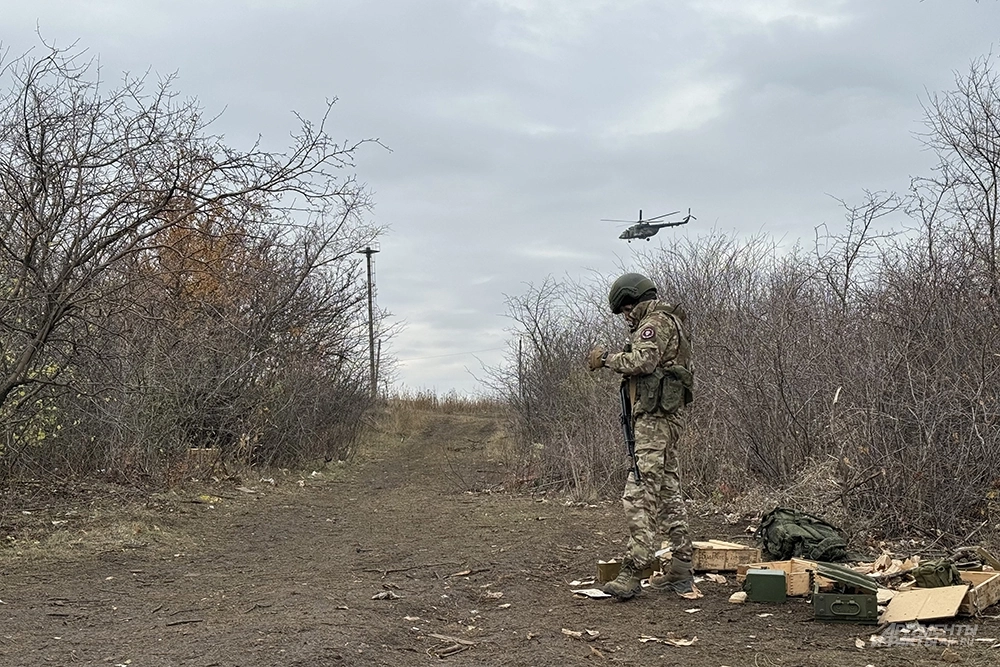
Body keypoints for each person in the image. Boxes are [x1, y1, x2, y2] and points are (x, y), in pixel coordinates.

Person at [588, 272, 695, 600]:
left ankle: (634, 570)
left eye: (625, 309)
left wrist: (606, 359)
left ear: (633, 300)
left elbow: (643, 361)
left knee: (639, 492)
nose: (625, 317)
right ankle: (681, 569)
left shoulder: (656, 322)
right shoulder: (668, 320)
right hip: (664, 419)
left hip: (655, 421)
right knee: (667, 491)